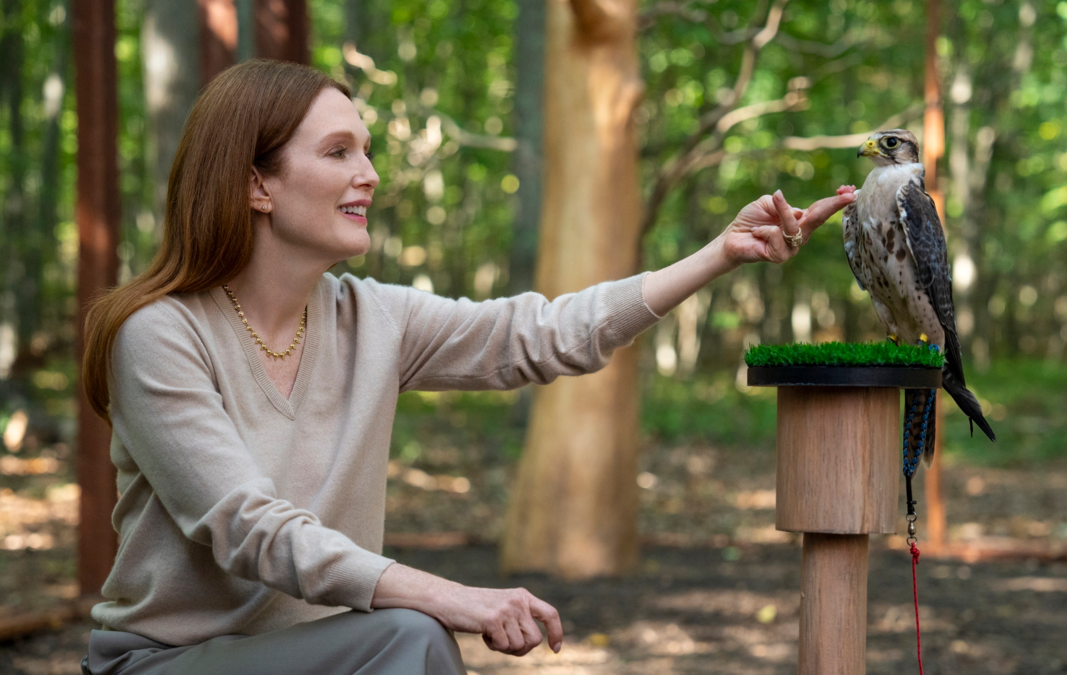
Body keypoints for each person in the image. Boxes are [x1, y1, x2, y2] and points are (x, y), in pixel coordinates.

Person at [78, 59, 855, 675]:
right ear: (256, 183)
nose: (370, 174)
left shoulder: (369, 317)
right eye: (339, 151)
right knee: (411, 638)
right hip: (170, 661)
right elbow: (249, 529)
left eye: (369, 150)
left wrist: (719, 253)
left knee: (403, 639)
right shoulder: (158, 335)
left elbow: (542, 334)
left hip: (333, 655)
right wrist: (455, 599)